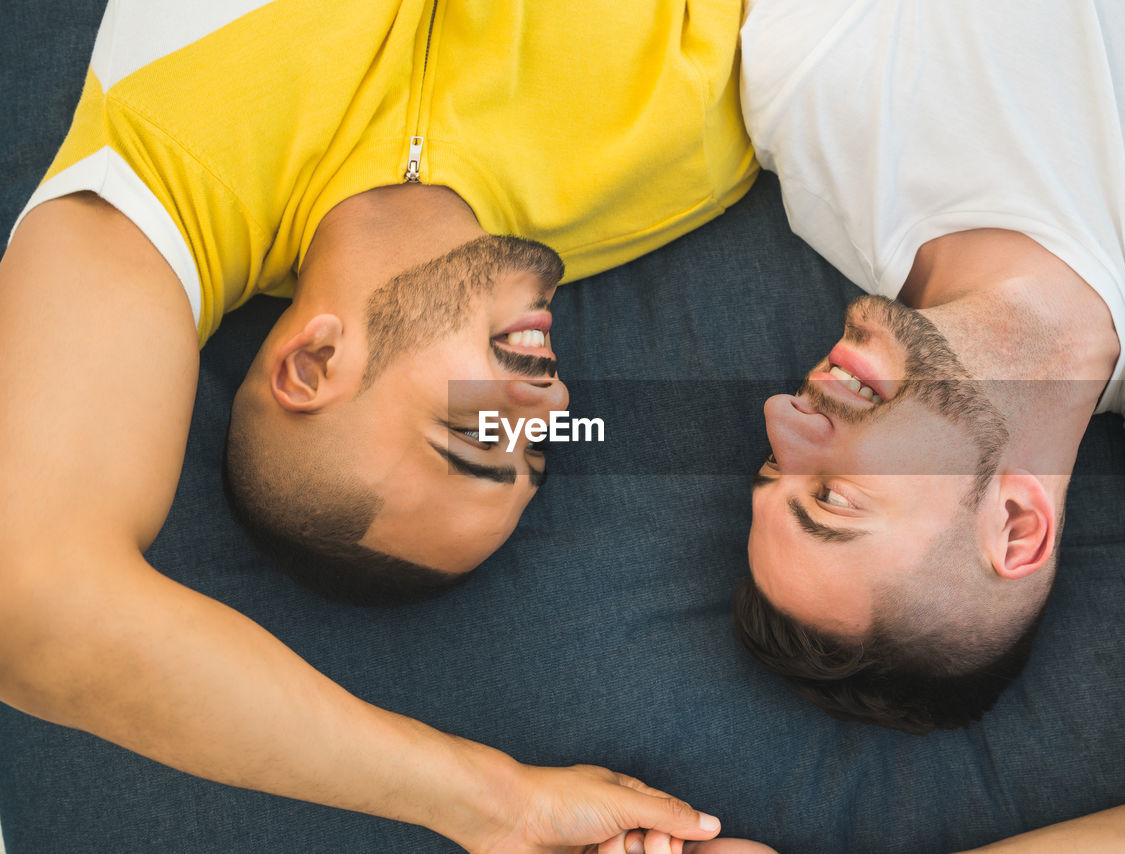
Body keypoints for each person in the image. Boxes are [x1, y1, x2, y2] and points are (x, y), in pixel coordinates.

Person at [0, 0, 758, 848]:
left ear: (313, 365)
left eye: (476, 435)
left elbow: (30, 600)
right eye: (535, 447)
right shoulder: (692, 136)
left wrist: (486, 806)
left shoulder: (167, 171)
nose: (552, 406)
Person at [733, 0, 1125, 847]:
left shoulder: (822, 104)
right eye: (834, 498)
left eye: (773, 470)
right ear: (1016, 526)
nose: (784, 417)